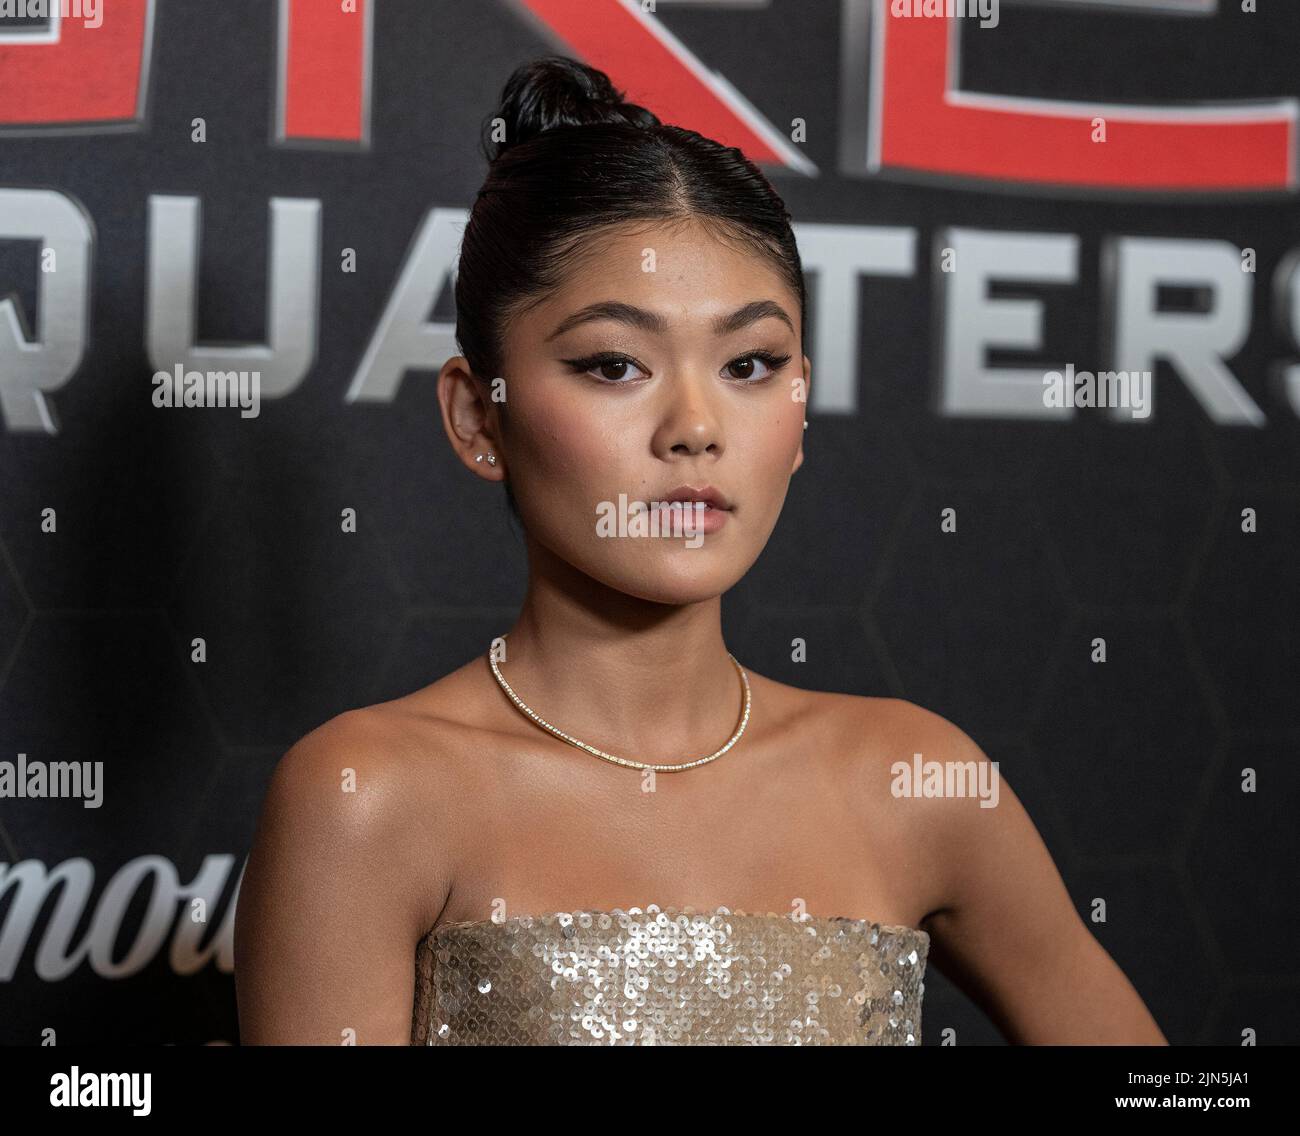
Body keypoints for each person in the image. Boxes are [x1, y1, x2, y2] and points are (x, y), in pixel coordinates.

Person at [233, 55, 1167, 1046]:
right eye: (614, 364)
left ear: (800, 408)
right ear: (479, 415)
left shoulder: (914, 775)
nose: (693, 426)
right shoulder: (367, 795)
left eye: (751, 364)